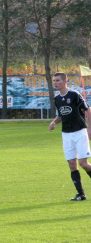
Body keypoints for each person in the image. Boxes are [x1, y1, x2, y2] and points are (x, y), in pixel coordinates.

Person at [49, 72, 91, 201]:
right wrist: (54, 122)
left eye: (57, 80)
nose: (55, 83)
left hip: (79, 131)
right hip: (66, 134)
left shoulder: (74, 95)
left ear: (64, 81)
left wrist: (90, 129)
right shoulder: (57, 99)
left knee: (83, 163)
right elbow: (61, 114)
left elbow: (88, 110)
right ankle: (81, 194)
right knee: (72, 164)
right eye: (54, 80)